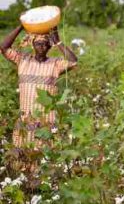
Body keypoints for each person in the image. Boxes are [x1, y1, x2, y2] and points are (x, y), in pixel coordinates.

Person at [0, 25, 77, 173]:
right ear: (33, 45)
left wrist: (58, 41)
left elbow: (73, 61)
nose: (42, 46)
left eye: (45, 44)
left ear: (49, 46)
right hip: (25, 121)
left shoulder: (55, 64)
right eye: (38, 43)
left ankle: (44, 190)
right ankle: (27, 188)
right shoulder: (22, 60)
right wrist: (21, 26)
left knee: (44, 163)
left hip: (46, 123)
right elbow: (3, 47)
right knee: (22, 161)